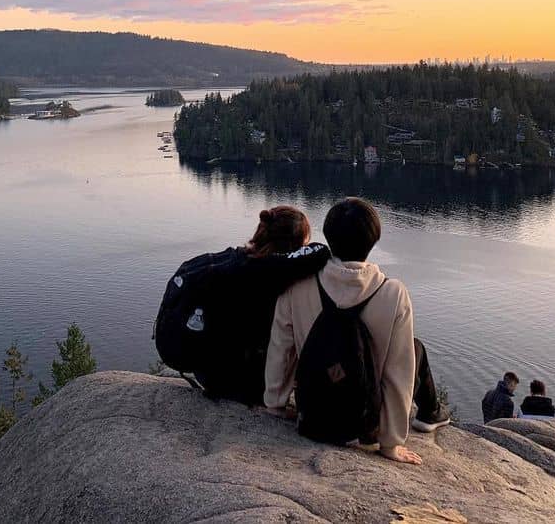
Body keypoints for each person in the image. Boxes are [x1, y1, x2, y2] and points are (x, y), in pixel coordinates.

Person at [264, 197, 449, 465]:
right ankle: (429, 416)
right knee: (414, 348)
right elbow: (399, 373)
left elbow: (281, 348)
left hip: (313, 414)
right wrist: (391, 444)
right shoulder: (393, 293)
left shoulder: (299, 284)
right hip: (365, 427)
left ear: (328, 235)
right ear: (373, 239)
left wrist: (275, 403)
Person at [186, 206, 330, 406]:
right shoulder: (272, 275)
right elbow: (321, 252)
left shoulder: (238, 260)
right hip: (247, 386)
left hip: (210, 376)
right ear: (294, 245)